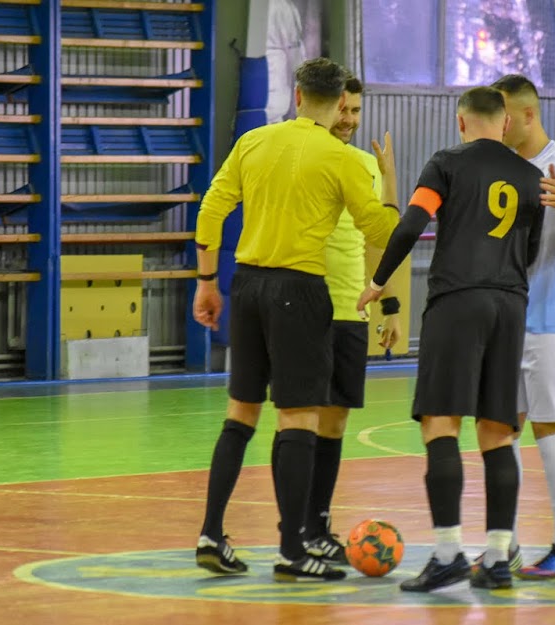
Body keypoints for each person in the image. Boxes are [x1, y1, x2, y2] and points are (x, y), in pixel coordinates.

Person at [191, 57, 399, 583]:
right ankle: (293, 549)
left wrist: (207, 280)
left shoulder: (255, 141)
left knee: (241, 412)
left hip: (248, 284)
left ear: (299, 94)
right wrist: (402, 202)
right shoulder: (342, 158)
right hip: (301, 290)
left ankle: (211, 533)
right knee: (300, 417)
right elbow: (378, 227)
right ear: (337, 104)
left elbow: (211, 211)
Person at [358, 86, 545, 592]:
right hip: (510, 305)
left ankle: (447, 555)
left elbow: (411, 224)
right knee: (497, 432)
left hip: (457, 302)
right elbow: (528, 252)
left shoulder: (445, 163)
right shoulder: (531, 176)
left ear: (461, 123)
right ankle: (499, 559)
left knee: (441, 426)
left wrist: (379, 281)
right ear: (505, 124)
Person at [491, 73, 555, 580]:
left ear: (529, 115)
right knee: (500, 426)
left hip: (552, 317)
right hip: (507, 316)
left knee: (550, 427)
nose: (500, 123)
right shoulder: (498, 167)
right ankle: (503, 543)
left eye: (506, 115)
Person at [297, 75, 404, 565]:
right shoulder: (295, 153)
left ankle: (317, 525)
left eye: (356, 111)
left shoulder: (365, 165)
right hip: (299, 307)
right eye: (343, 109)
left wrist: (391, 308)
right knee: (298, 420)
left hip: (349, 310)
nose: (349, 120)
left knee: (335, 422)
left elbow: (381, 242)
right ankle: (292, 529)